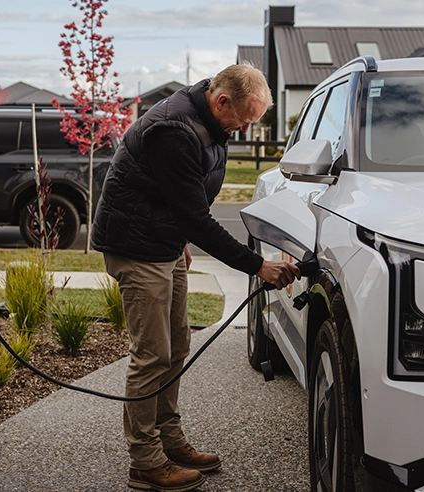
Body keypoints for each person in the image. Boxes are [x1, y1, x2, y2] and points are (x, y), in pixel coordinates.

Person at [92, 62, 300, 492]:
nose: (243, 129)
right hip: (136, 246)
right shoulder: (175, 130)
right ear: (221, 100)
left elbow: (179, 197)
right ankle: (145, 462)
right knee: (152, 354)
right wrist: (257, 264)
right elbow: (196, 215)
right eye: (242, 119)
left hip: (164, 242)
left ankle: (170, 441)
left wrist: (179, 238)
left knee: (177, 345)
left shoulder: (207, 121)